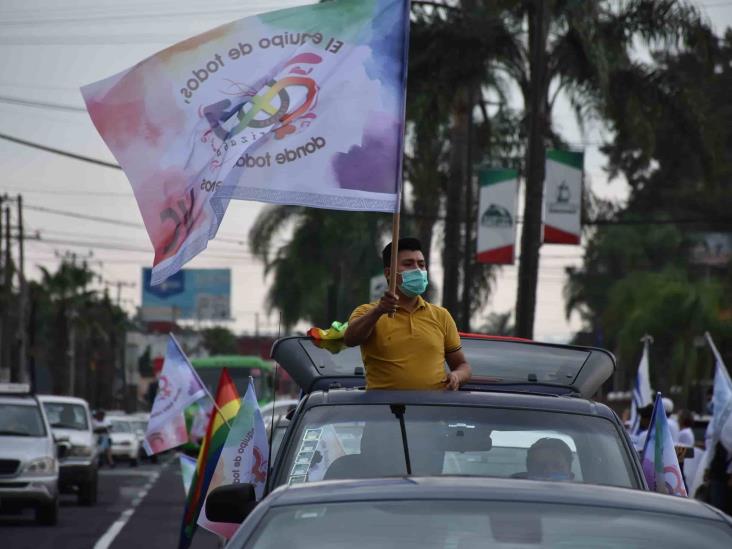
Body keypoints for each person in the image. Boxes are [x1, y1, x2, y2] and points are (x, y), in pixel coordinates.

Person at [344, 237, 471, 390]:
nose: (417, 270)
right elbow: (350, 339)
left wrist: (457, 376)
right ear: (389, 273)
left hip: (433, 409)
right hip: (384, 410)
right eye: (408, 264)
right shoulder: (366, 312)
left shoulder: (441, 315)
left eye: (421, 264)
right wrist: (378, 311)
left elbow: (462, 366)